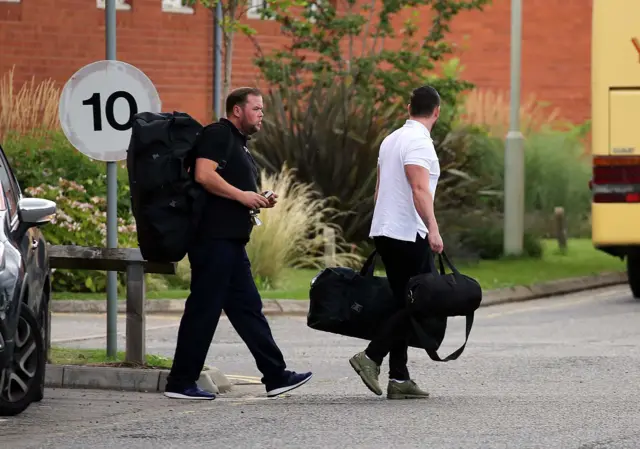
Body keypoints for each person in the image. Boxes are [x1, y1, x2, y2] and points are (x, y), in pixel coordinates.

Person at [164, 87, 313, 400]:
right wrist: (242, 195)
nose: (261, 115)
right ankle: (180, 383)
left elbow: (228, 185)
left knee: (248, 310)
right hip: (213, 240)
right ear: (237, 110)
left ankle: (275, 375)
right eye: (256, 109)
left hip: (230, 242)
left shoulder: (237, 144)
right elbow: (204, 174)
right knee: (203, 310)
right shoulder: (218, 134)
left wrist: (256, 199)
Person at [349, 85, 444, 399]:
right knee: (421, 303)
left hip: (387, 229)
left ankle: (399, 378)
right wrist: (433, 228)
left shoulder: (391, 140)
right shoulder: (419, 142)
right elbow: (419, 189)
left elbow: (379, 191)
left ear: (408, 108)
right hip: (408, 233)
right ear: (436, 112)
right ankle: (372, 357)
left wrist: (382, 226)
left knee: (402, 301)